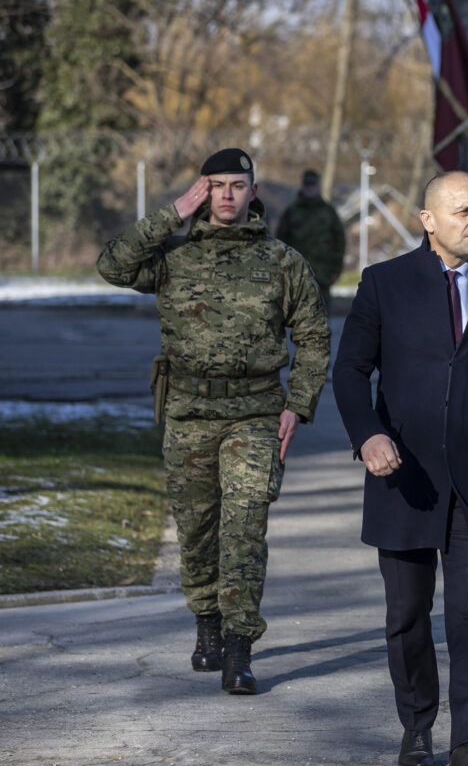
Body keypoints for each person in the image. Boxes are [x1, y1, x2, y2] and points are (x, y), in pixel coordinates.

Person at [331, 170, 468, 766]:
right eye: (462, 211)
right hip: (404, 474)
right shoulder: (384, 285)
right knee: (407, 615)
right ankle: (418, 720)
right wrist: (368, 435)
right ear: (428, 220)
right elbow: (350, 372)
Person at [97, 147, 330, 695]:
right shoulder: (174, 255)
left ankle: (239, 648)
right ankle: (207, 621)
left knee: (244, 529)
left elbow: (314, 335)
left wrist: (299, 403)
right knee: (197, 531)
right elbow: (113, 265)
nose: (227, 194)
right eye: (216, 185)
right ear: (203, 191)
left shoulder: (282, 261)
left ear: (254, 192)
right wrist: (172, 212)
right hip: (189, 413)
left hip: (254, 413)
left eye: (237, 184)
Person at [275, 169, 347, 311]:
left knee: (322, 318)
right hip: (296, 274)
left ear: (318, 186)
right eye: (307, 185)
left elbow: (339, 241)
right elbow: (280, 242)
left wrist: (336, 269)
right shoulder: (292, 212)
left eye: (312, 185)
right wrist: (281, 268)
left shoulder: (328, 212)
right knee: (297, 318)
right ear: (302, 185)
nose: (309, 188)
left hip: (322, 274)